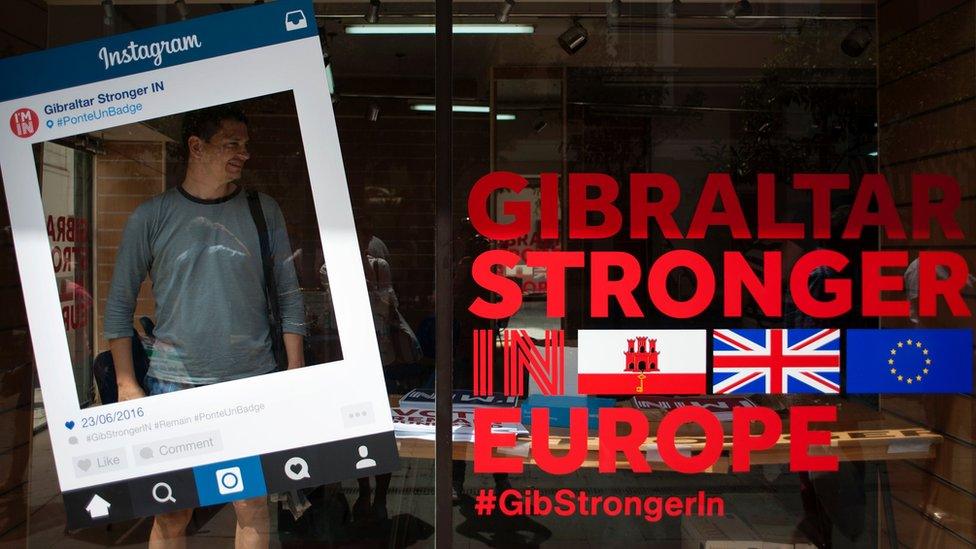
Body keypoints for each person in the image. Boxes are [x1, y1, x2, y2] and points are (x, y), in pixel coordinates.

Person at [104, 104, 306, 549]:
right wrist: (126, 384)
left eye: (246, 145)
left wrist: (294, 369)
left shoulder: (262, 211)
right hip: (173, 386)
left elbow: (289, 293)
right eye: (232, 144)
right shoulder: (151, 216)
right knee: (172, 512)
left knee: (251, 506)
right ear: (196, 147)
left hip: (251, 382)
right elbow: (118, 303)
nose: (243, 155)